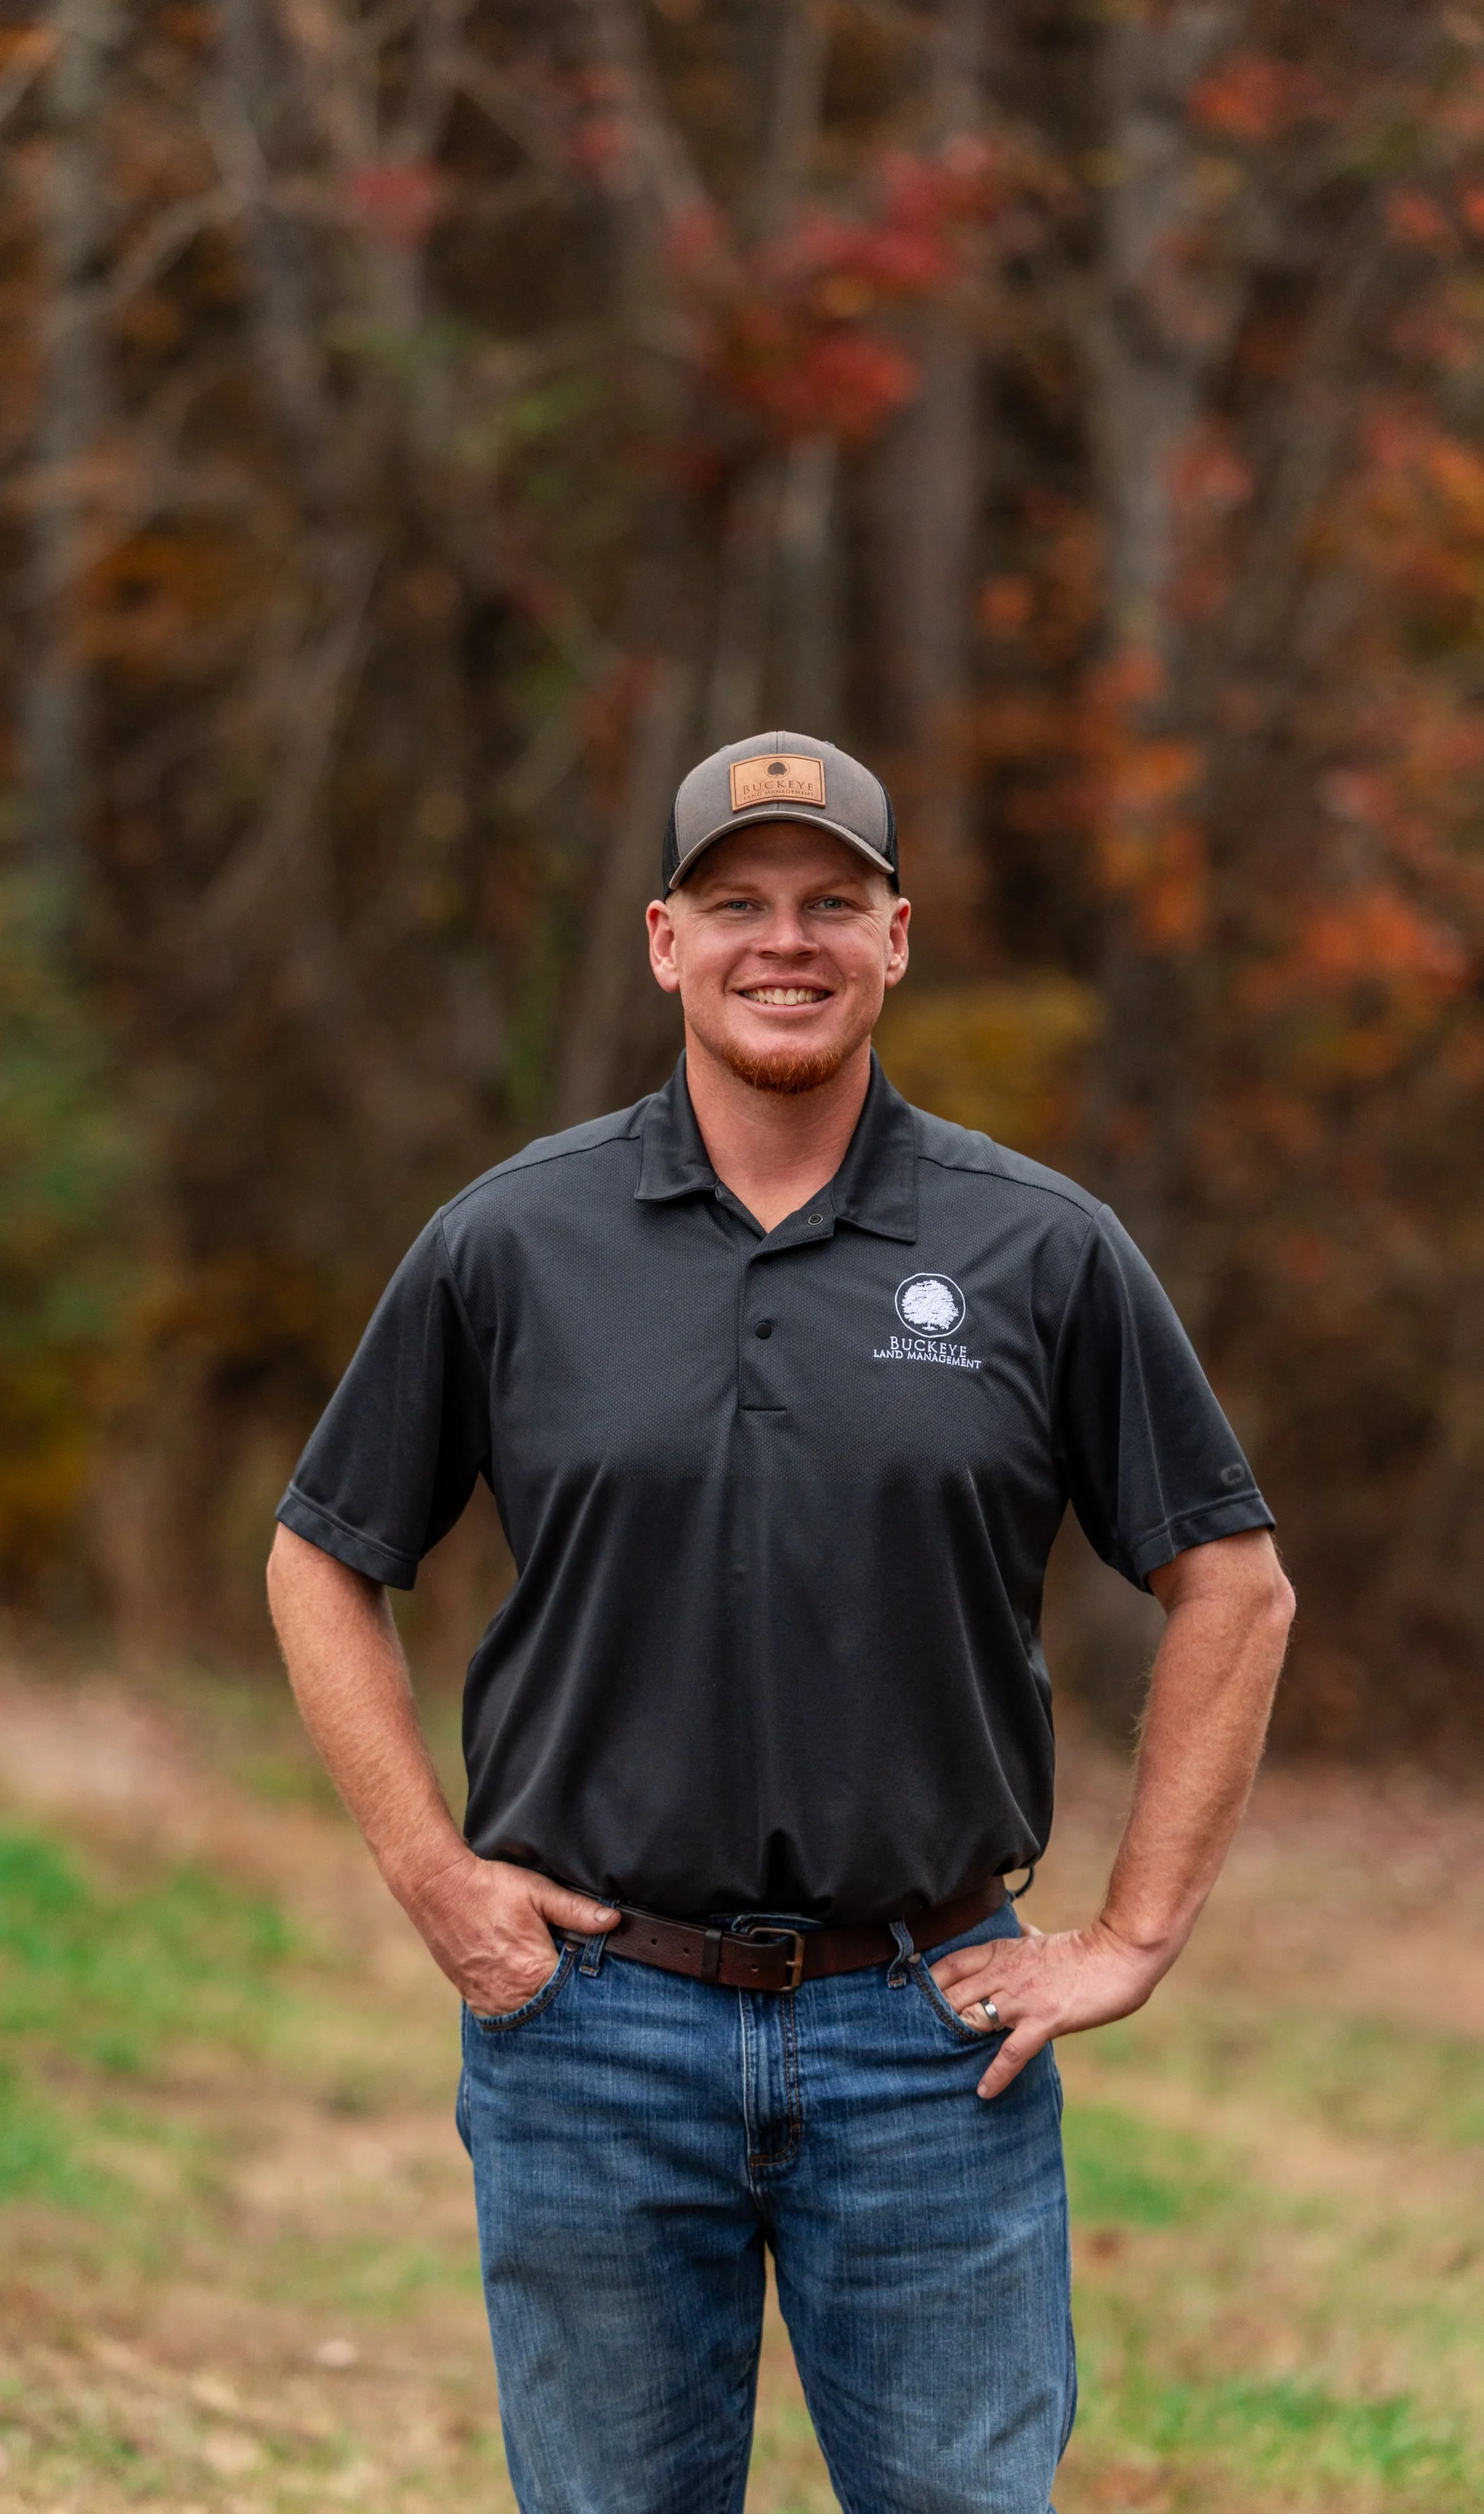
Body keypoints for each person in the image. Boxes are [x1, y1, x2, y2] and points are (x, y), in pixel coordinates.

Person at [267, 730, 1294, 2514]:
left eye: (832, 901)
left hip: (926, 2040)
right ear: (662, 939)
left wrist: (1126, 1935)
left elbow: (1234, 1580)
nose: (784, 942)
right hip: (589, 2030)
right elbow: (317, 1555)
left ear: (897, 937)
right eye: (736, 903)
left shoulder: (1036, 1251)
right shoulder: (512, 1242)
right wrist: (435, 1875)